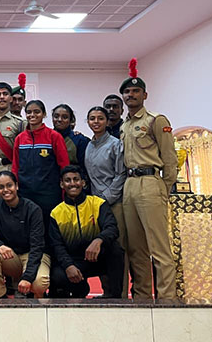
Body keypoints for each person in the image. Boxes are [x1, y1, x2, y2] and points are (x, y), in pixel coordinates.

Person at [119, 58, 177, 300]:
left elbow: (170, 159)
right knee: (136, 247)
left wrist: (163, 187)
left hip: (151, 182)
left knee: (159, 246)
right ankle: (142, 296)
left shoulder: (156, 120)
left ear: (145, 95)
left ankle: (167, 298)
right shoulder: (124, 126)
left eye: (135, 91)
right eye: (127, 92)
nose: (131, 95)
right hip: (130, 184)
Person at [48, 166, 124, 298]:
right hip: (75, 261)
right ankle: (80, 289)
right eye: (68, 180)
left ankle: (115, 296)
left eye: (76, 179)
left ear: (83, 183)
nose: (72, 183)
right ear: (62, 184)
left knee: (115, 250)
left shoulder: (98, 204)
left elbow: (112, 228)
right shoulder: (56, 213)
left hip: (97, 257)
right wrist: (68, 266)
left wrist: (98, 240)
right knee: (57, 276)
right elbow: (57, 245)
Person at [0, 171, 50, 299]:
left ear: (16, 186)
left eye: (9, 185)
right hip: (12, 257)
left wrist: (27, 277)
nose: (6, 190)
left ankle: (37, 298)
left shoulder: (33, 209)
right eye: (1, 187)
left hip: (33, 255)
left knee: (39, 284)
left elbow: (37, 247)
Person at [85, 106, 129, 298]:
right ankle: (106, 291)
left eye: (100, 118)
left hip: (113, 202)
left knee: (117, 249)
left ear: (106, 121)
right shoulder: (89, 145)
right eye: (92, 118)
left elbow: (121, 173)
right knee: (100, 249)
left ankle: (120, 293)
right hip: (95, 205)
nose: (96, 122)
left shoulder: (115, 144)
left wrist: (107, 197)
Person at [12, 100, 70, 230]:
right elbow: (15, 167)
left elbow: (64, 166)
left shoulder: (54, 136)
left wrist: (64, 191)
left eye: (36, 112)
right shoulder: (20, 139)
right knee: (28, 228)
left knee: (49, 229)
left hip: (49, 193)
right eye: (29, 112)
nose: (32, 115)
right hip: (25, 193)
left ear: (44, 114)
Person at [52, 104, 90, 175]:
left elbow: (84, 167)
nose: (59, 120)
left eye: (65, 117)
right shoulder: (46, 138)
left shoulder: (80, 140)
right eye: (56, 116)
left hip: (71, 180)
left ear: (71, 120)